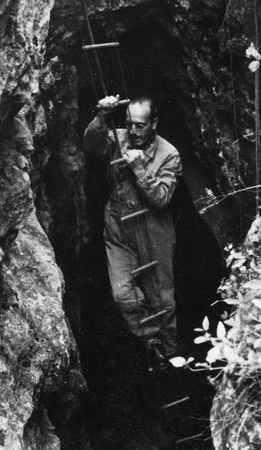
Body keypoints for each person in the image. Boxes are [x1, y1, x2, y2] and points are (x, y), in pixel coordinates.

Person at [83, 94, 182, 369]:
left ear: (154, 123)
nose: (134, 131)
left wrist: (139, 170)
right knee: (122, 295)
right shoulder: (118, 138)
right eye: (129, 125)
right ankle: (151, 339)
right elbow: (91, 146)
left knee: (161, 298)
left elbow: (161, 199)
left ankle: (171, 354)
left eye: (140, 125)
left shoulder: (169, 154)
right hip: (119, 226)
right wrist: (102, 116)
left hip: (153, 229)